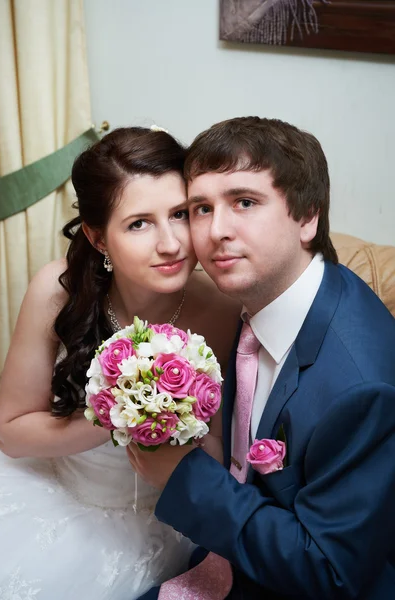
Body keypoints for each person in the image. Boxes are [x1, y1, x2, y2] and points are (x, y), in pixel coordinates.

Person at [129, 117, 395, 599]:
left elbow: (329, 573)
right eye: (201, 209)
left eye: (244, 202)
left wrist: (181, 475)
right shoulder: (266, 301)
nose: (215, 231)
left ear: (307, 216)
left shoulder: (360, 386)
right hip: (233, 554)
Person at [0, 126, 240, 599]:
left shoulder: (226, 308)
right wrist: (116, 415)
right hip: (64, 491)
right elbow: (9, 431)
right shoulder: (56, 292)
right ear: (97, 236)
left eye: (180, 215)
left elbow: (224, 445)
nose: (171, 243)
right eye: (139, 223)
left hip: (167, 514)